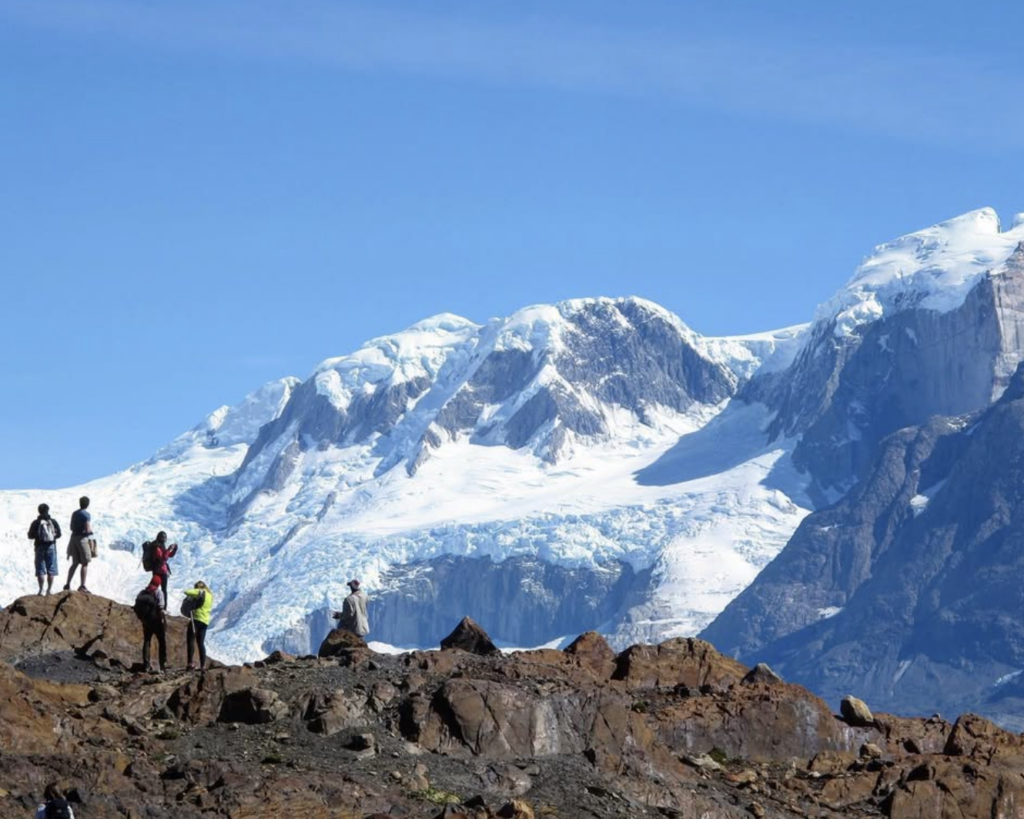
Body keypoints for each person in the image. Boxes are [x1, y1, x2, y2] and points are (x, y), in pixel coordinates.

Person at [133, 575, 167, 673]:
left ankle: (146, 665)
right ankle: (163, 665)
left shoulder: (142, 592)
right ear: (158, 584)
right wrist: (163, 621)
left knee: (147, 641)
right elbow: (161, 607)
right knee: (162, 642)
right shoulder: (158, 592)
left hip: (146, 621)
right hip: (156, 621)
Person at [28, 503, 62, 597]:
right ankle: (49, 590)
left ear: (39, 511)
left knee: (40, 568)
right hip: (51, 546)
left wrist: (38, 536)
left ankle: (41, 590)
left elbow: (30, 536)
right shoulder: (53, 522)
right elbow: (59, 534)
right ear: (48, 510)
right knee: (51, 568)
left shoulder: (36, 523)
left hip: (39, 547)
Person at [64, 496, 94, 593]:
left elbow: (71, 527)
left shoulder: (75, 513)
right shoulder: (86, 515)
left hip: (73, 538)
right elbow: (88, 529)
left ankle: (67, 584)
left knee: (75, 563)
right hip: (82, 539)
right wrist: (91, 536)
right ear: (88, 504)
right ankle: (82, 586)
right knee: (84, 563)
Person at [182, 580, 213, 670]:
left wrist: (194, 594)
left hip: (196, 620)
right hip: (205, 622)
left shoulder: (200, 592)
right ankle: (203, 665)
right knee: (201, 643)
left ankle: (190, 663)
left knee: (191, 640)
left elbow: (186, 591)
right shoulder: (210, 596)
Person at [151, 531, 178, 610]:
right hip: (159, 571)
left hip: (161, 571)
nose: (164, 539)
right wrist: (168, 549)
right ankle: (160, 607)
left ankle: (162, 607)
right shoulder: (157, 547)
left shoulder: (160, 546)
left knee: (159, 589)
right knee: (160, 590)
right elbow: (163, 559)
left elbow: (169, 555)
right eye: (163, 538)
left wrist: (174, 549)